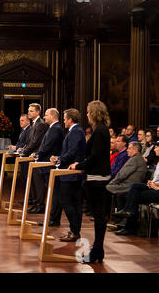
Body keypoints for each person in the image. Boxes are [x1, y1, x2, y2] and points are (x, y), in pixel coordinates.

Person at [70, 100, 111, 264]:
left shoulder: (100, 131)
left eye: (88, 112)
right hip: (97, 178)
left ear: (94, 113)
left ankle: (96, 252)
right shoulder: (100, 130)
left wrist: (78, 165)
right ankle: (98, 251)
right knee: (99, 217)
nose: (86, 114)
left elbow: (95, 156)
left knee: (99, 217)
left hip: (97, 179)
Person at [50, 109, 86, 241]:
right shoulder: (76, 131)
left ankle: (75, 231)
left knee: (66, 201)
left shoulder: (76, 131)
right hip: (71, 173)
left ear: (70, 119)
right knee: (74, 203)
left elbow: (72, 152)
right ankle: (74, 231)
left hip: (72, 174)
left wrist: (59, 159)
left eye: (65, 118)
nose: (63, 121)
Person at [112, 142, 159, 235]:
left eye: (157, 147)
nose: (154, 149)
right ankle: (128, 215)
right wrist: (152, 183)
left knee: (133, 196)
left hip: (158, 190)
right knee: (134, 186)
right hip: (154, 186)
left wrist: (156, 185)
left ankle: (128, 222)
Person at [29, 108, 64, 216]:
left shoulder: (56, 128)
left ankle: (53, 216)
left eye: (46, 115)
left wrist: (37, 155)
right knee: (51, 191)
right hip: (47, 163)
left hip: (50, 164)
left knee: (53, 192)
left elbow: (47, 146)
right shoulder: (52, 128)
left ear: (53, 116)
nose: (44, 117)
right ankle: (52, 215)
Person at [20, 104, 48, 205]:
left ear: (37, 112)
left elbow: (36, 142)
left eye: (31, 111)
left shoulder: (40, 124)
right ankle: (34, 201)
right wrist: (23, 149)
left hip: (37, 156)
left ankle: (38, 203)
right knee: (31, 181)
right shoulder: (34, 123)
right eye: (28, 110)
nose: (29, 113)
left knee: (38, 183)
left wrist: (24, 152)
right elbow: (29, 141)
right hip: (31, 155)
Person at [106, 142, 147, 210]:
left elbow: (122, 175)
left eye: (129, 148)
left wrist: (112, 183)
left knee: (105, 188)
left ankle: (104, 215)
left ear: (135, 150)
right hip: (129, 185)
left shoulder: (134, 159)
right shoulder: (138, 158)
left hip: (128, 187)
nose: (127, 150)